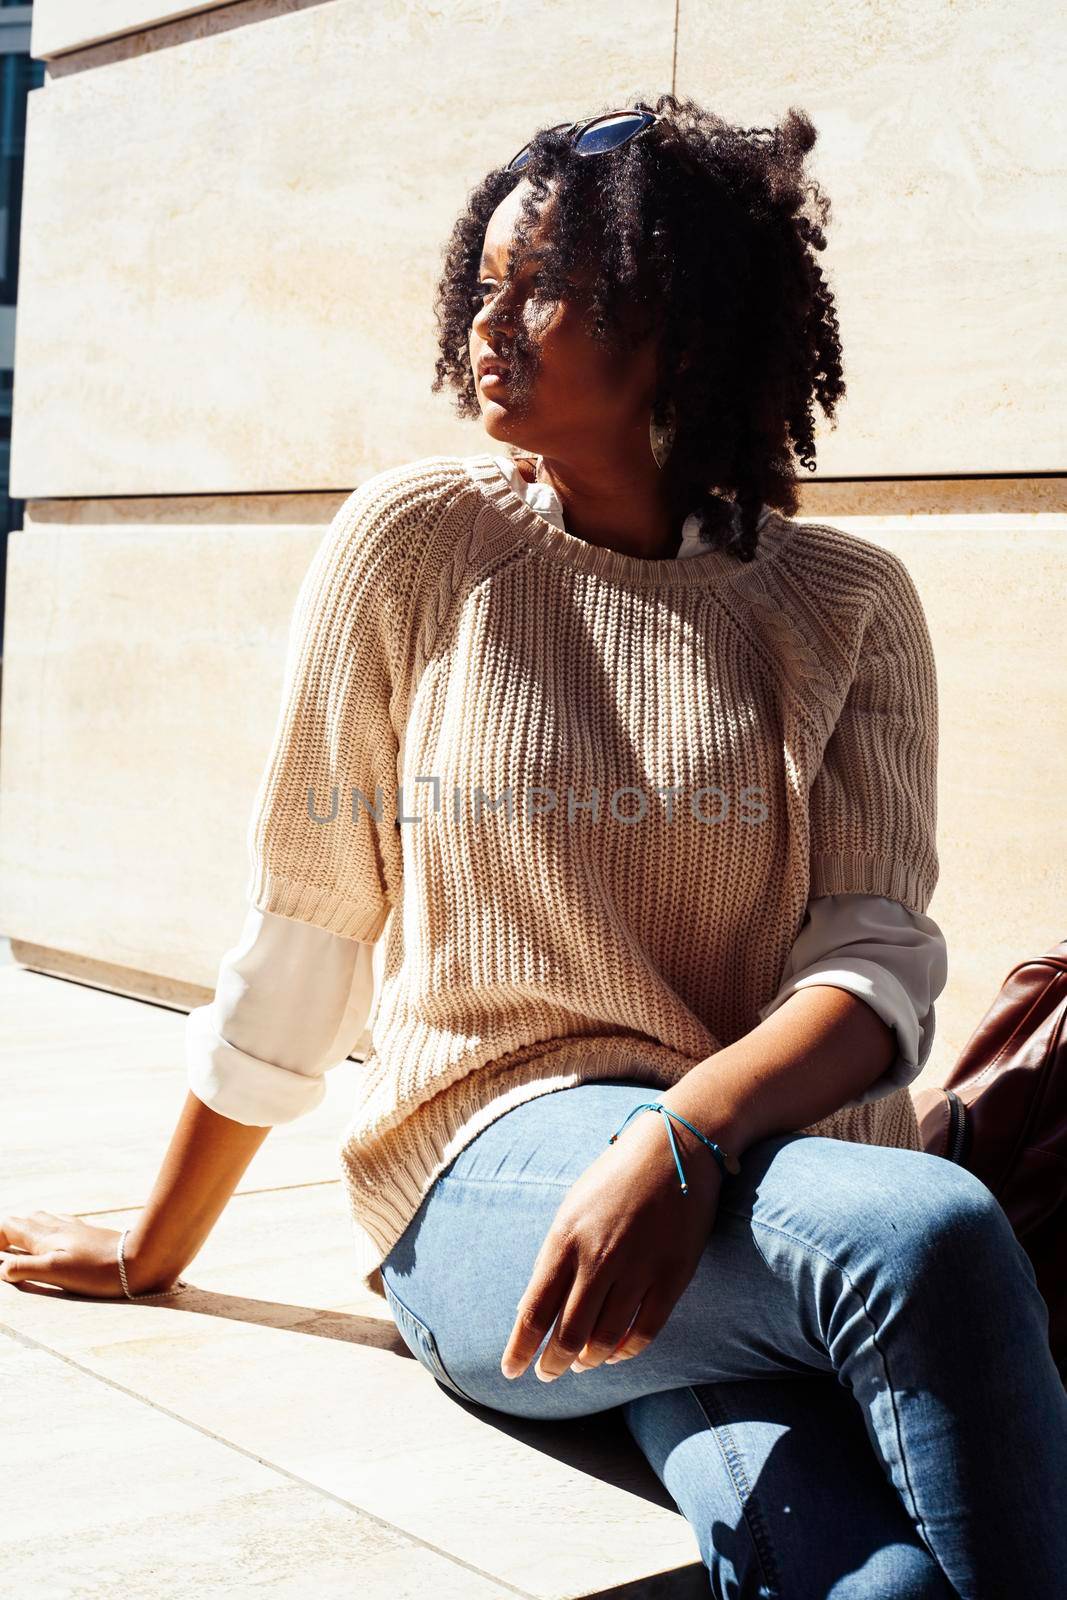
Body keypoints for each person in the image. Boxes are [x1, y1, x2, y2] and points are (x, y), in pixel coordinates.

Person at [2, 95, 1063, 1598]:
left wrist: (686, 1139)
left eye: (545, 287)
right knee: (928, 1237)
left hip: (742, 1187)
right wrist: (154, 1243)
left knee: (875, 1581)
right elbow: (310, 922)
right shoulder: (421, 544)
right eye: (484, 284)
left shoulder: (846, 602)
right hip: (493, 1173)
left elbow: (875, 954)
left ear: (680, 330)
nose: (489, 324)